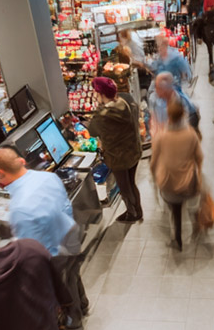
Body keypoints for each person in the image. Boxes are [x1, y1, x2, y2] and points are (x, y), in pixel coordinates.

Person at [0, 147, 89, 330]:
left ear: (0, 174)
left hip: (54, 252)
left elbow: (29, 249)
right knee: (73, 274)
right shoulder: (47, 177)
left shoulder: (20, 209)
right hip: (70, 233)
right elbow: (65, 206)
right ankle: (83, 304)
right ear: (21, 161)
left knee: (63, 286)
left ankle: (73, 321)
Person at [87, 77, 143, 223]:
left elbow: (92, 130)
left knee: (124, 187)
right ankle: (138, 210)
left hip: (118, 158)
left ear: (101, 94)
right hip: (133, 150)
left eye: (95, 92)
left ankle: (132, 213)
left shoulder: (103, 115)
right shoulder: (125, 100)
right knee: (131, 183)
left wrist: (98, 109)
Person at [150, 99, 203, 250]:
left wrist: (154, 175)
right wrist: (198, 176)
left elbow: (154, 161)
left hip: (169, 183)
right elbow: (199, 157)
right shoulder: (191, 134)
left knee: (176, 211)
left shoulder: (161, 136)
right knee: (193, 205)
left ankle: (178, 239)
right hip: (188, 181)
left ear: (169, 116)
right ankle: (196, 225)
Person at [148, 71, 200, 138]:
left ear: (165, 90)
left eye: (158, 88)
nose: (156, 91)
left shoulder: (180, 103)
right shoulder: (159, 99)